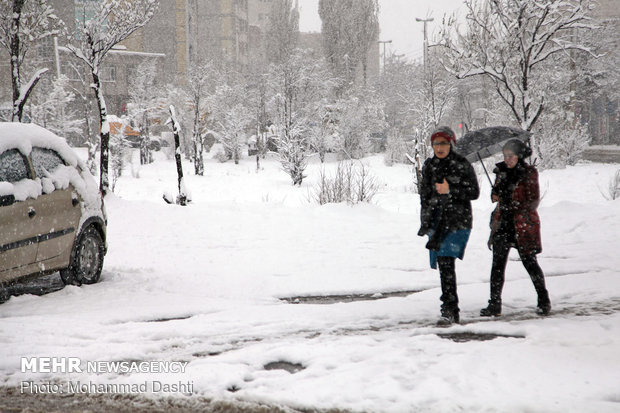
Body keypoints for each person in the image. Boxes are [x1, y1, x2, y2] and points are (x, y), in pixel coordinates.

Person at [481, 138, 551, 317]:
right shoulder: (501, 171)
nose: (507, 159)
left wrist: (512, 204)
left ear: (519, 156)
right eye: (505, 156)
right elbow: (495, 194)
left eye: (511, 156)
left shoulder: (528, 173)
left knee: (530, 263)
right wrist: (495, 194)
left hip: (522, 225)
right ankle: (494, 304)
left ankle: (543, 300)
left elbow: (533, 200)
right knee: (497, 265)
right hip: (503, 224)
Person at [418, 126, 480, 325]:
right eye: (436, 143)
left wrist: (450, 189)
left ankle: (450, 309)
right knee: (443, 264)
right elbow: (424, 195)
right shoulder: (429, 165)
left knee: (446, 262)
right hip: (436, 221)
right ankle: (449, 306)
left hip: (457, 221)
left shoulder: (461, 164)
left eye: (443, 142)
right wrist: (426, 220)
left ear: (451, 143)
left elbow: (474, 192)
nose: (439, 147)